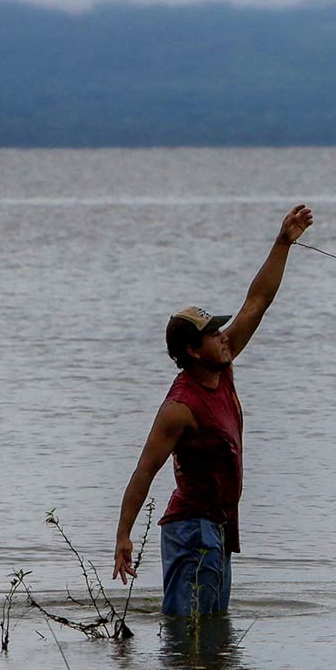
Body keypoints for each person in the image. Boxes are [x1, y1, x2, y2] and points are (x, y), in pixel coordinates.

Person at [111, 203, 315, 615]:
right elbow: (143, 471)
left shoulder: (222, 364)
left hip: (219, 528)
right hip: (191, 530)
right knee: (192, 633)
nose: (224, 336)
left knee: (212, 637)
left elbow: (257, 301)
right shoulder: (179, 408)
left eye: (221, 329)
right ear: (192, 350)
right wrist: (123, 536)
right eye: (212, 333)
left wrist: (283, 243)